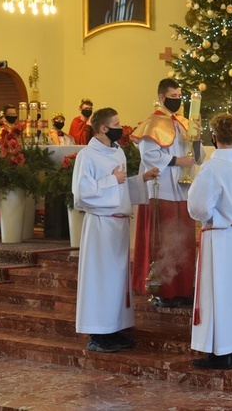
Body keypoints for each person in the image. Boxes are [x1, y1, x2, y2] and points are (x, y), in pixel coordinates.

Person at [73, 107, 159, 353]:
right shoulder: (87, 156)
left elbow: (121, 187)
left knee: (116, 280)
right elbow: (82, 194)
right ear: (102, 128)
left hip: (118, 224)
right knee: (101, 279)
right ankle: (98, 334)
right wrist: (113, 180)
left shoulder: (117, 151)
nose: (121, 127)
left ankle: (114, 328)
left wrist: (141, 179)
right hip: (100, 225)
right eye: (117, 123)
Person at [187, 113, 232, 370]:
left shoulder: (213, 167)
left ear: (214, 137)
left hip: (218, 236)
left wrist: (216, 216)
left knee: (216, 293)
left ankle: (220, 353)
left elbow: (197, 207)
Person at [130, 78, 204, 307]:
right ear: (162, 97)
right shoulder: (152, 123)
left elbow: (198, 157)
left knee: (182, 240)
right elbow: (149, 155)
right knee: (163, 241)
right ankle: (162, 289)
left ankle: (182, 288)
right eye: (173, 97)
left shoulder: (184, 122)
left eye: (179, 96)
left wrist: (198, 139)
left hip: (183, 189)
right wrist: (176, 160)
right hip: (161, 190)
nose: (178, 101)